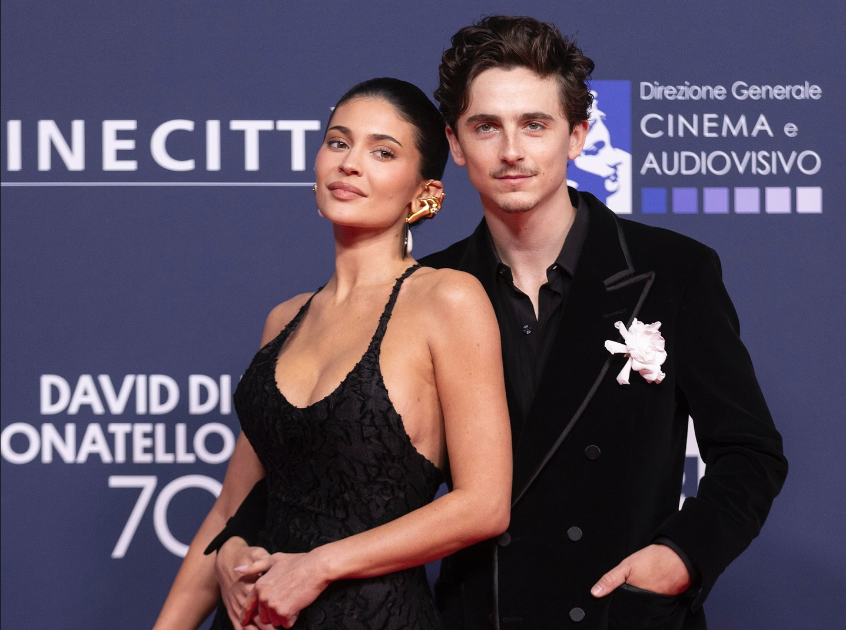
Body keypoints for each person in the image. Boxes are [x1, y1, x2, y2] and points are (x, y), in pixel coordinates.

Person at [211, 15, 788, 630]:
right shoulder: (424, 291)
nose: (511, 151)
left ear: (577, 136)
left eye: (535, 125)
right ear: (456, 145)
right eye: (486, 126)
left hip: (621, 613)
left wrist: (679, 557)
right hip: (479, 614)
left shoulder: (670, 270)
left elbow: (749, 453)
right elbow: (329, 454)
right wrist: (235, 542)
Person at [152, 77, 512, 630]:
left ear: (424, 193)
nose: (350, 163)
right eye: (338, 142)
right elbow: (230, 509)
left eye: (383, 152)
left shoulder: (448, 299)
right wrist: (231, 551)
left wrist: (318, 566)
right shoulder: (284, 319)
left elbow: (483, 505)